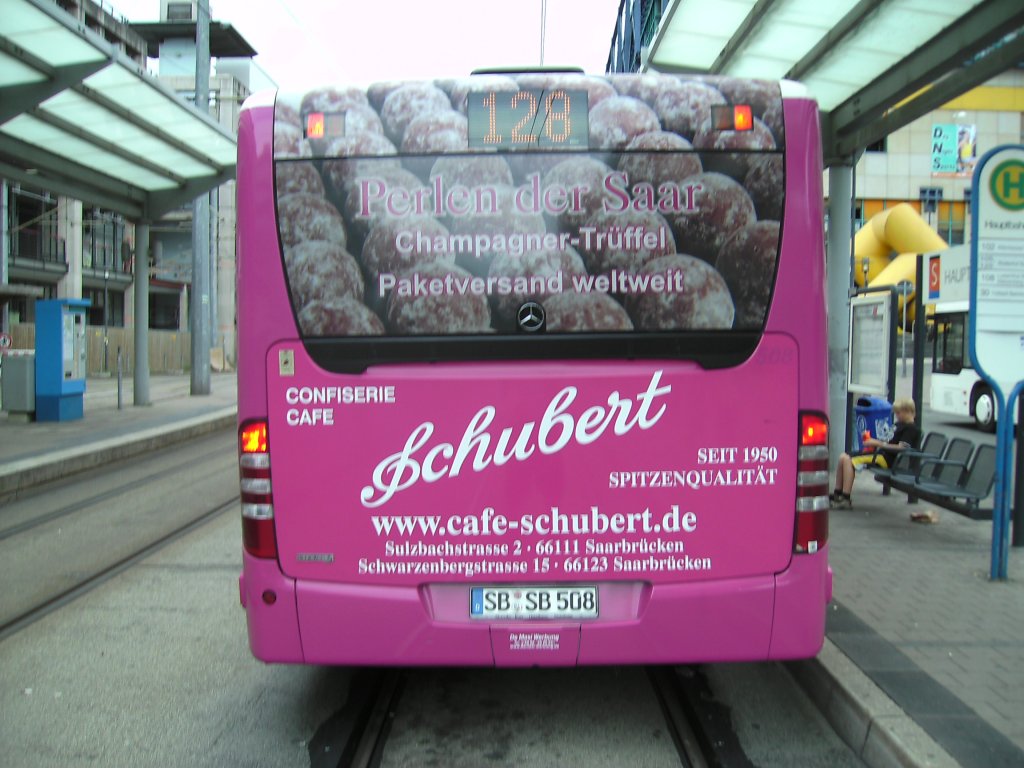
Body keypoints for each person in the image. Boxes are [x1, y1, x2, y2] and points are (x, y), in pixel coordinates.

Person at [831, 398, 921, 510]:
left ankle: (845, 498)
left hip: (887, 459)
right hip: (880, 453)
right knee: (843, 456)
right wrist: (872, 440)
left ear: (907, 411)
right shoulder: (899, 424)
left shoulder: (911, 429)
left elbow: (901, 448)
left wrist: (878, 443)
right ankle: (838, 493)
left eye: (899, 413)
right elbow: (888, 438)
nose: (897, 416)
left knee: (848, 460)